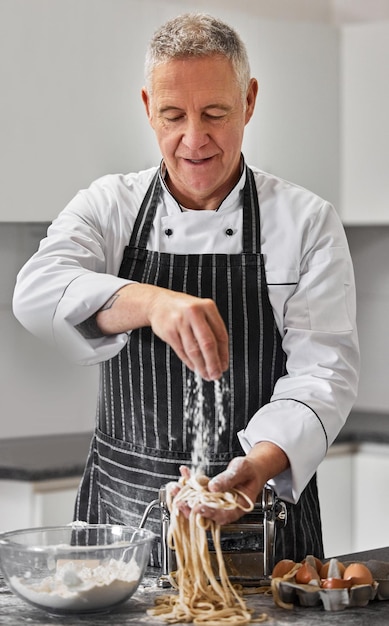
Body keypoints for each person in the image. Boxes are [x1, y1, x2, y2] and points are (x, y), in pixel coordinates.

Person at [13, 13, 359, 565]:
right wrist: (152, 302)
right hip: (122, 525)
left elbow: (324, 373)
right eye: (173, 115)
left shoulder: (305, 222)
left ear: (249, 102)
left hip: (260, 516)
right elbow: (35, 292)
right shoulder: (110, 206)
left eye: (215, 113)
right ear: (148, 107)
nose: (193, 139)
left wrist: (257, 467)